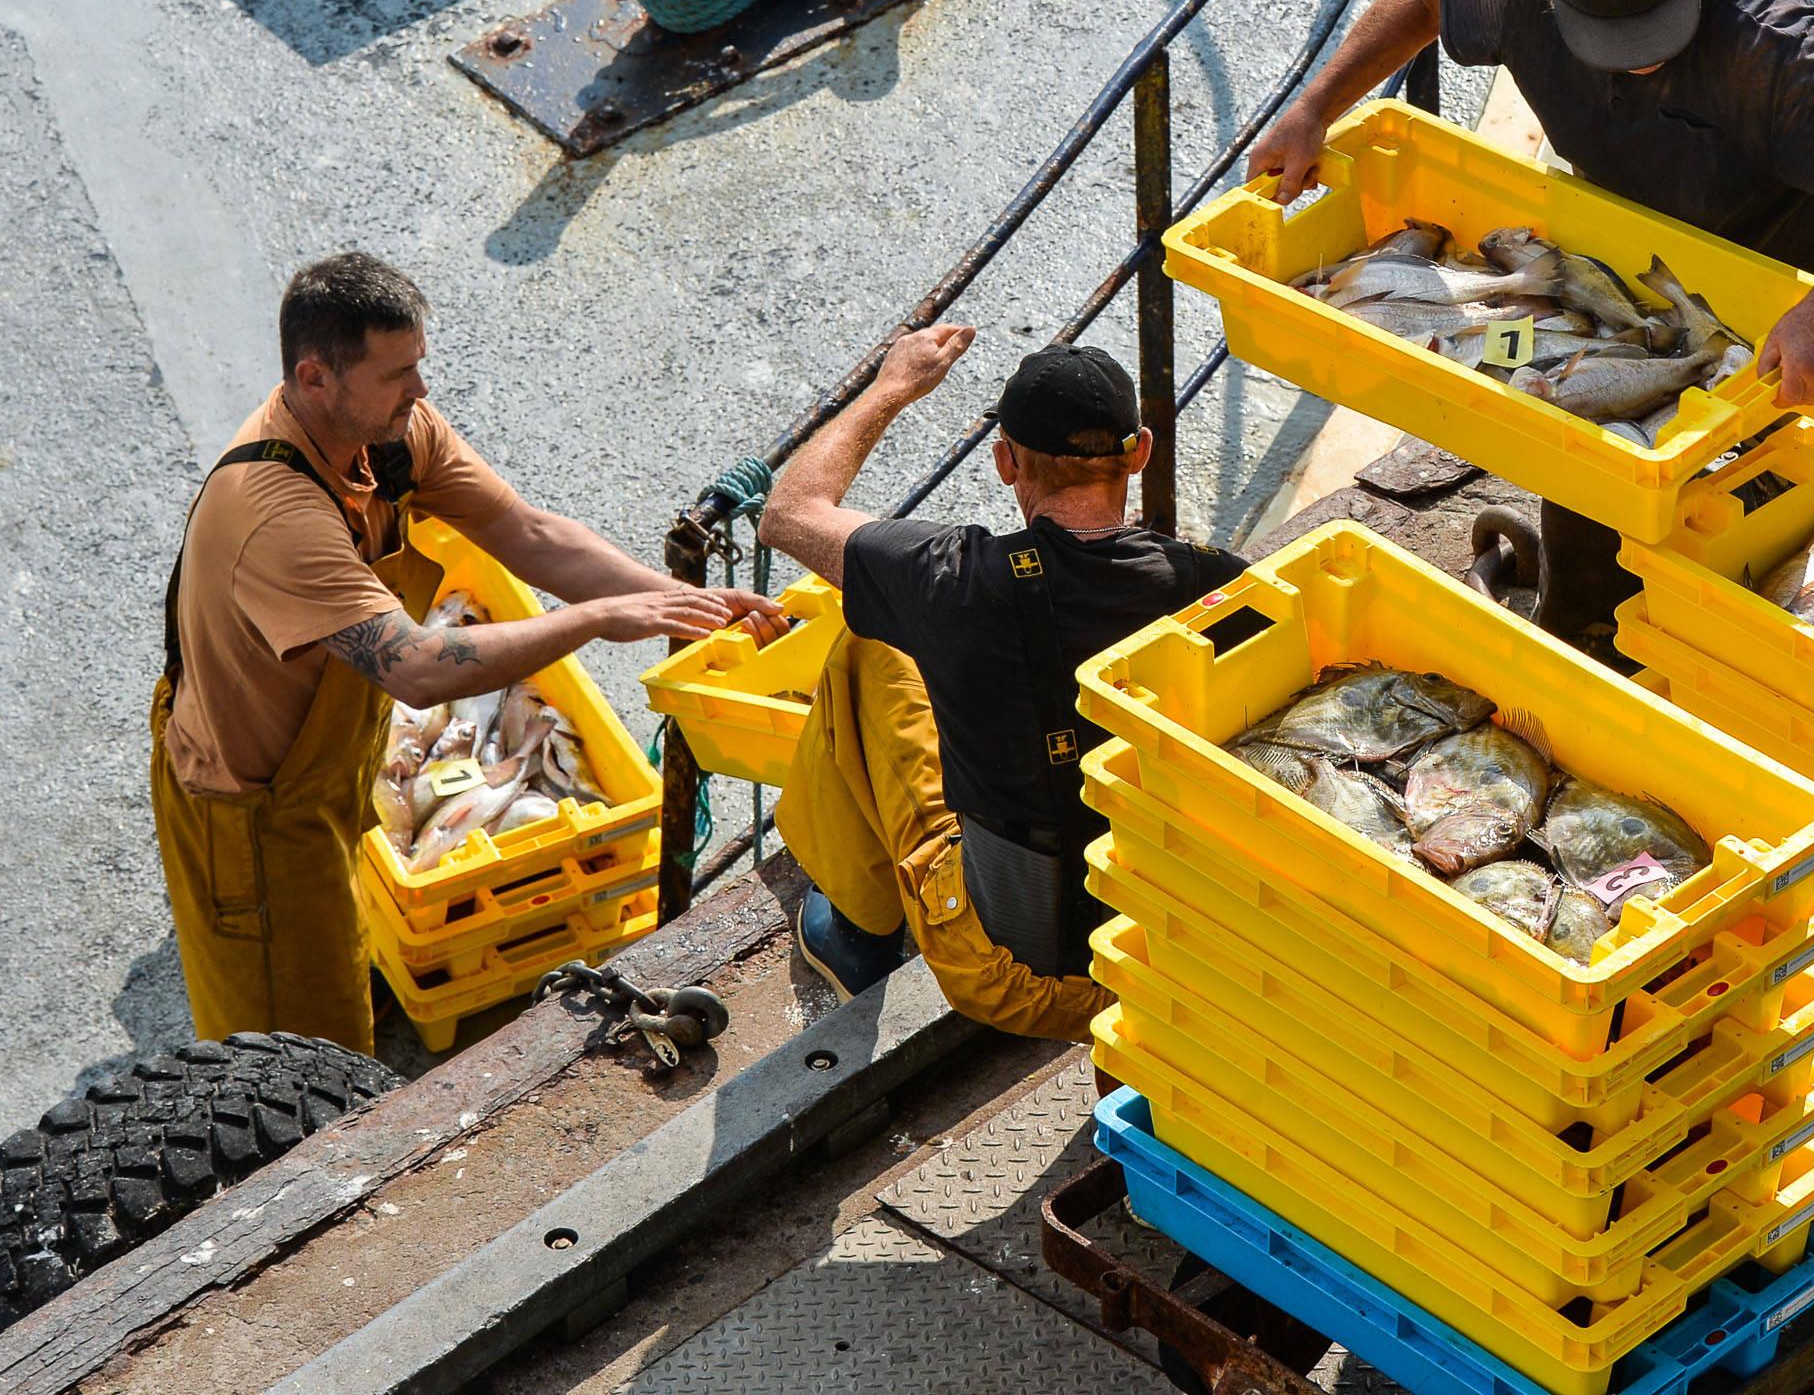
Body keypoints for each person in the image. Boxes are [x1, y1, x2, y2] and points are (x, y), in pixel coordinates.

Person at [1247, 0, 1814, 635]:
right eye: (1615, 42)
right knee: (1592, 477)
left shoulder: (1768, 34)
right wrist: (1316, 107)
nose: (1641, 58)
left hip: (1809, 283)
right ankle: (1589, 633)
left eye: (1659, 31)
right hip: (1641, 277)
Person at [155, 255, 781, 1053]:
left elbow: (531, 534)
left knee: (336, 988)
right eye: (397, 374)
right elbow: (415, 665)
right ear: (315, 379)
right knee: (304, 1069)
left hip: (325, 768)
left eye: (419, 364)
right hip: (251, 818)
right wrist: (595, 620)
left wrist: (677, 600)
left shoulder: (386, 438)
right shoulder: (273, 512)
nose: (420, 390)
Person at [757, 330, 1248, 1035]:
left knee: (868, 640)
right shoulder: (1217, 586)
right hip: (1168, 951)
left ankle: (861, 931)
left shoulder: (952, 581)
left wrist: (893, 387)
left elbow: (790, 512)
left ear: (1004, 462)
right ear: (1139, 452)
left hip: (1012, 974)